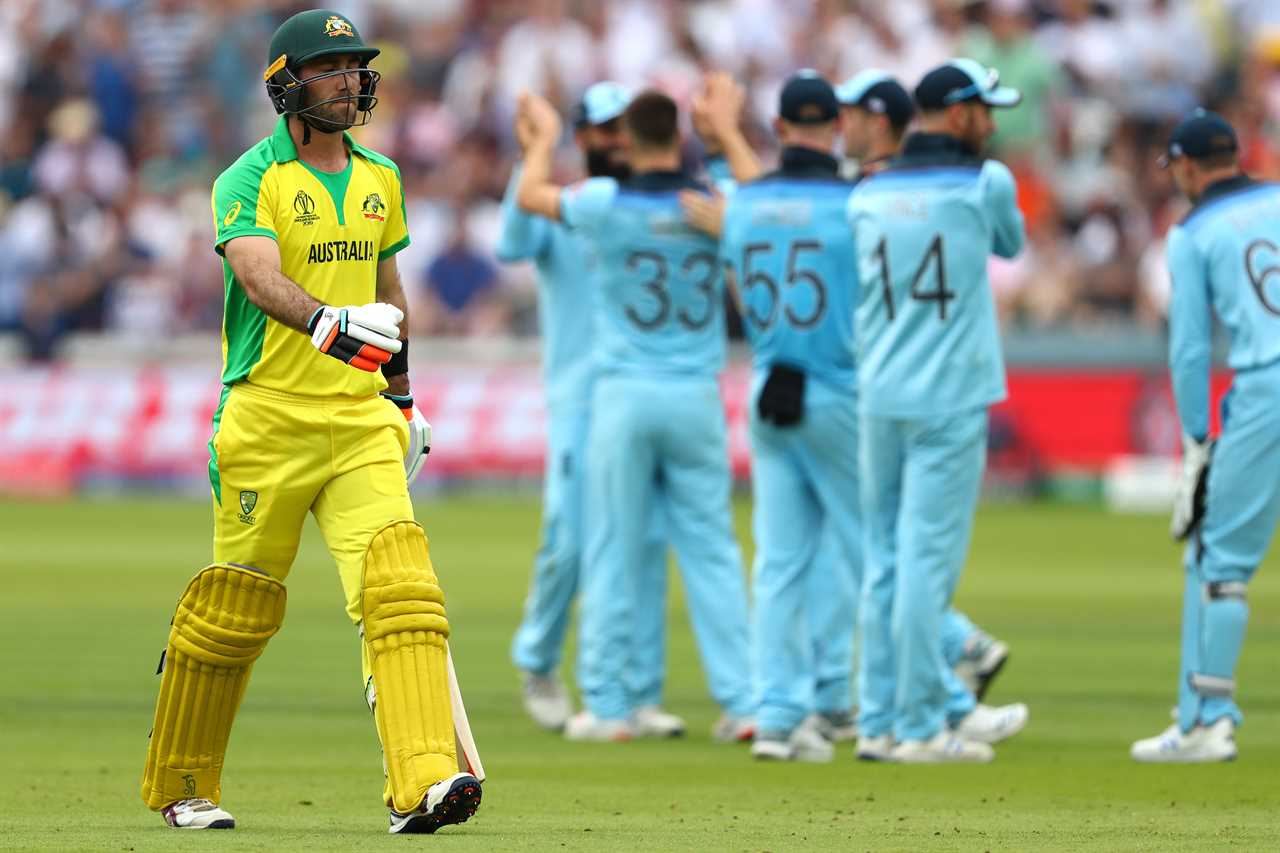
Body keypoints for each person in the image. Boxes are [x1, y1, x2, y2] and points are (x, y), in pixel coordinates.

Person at [138, 10, 479, 834]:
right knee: (233, 613)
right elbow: (258, 277)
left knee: (400, 588)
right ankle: (183, 781)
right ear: (287, 84)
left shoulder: (382, 176)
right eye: (330, 67)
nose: (351, 80)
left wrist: (401, 396)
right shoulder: (247, 178)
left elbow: (389, 293)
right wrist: (327, 322)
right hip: (267, 419)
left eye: (356, 66)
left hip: (360, 419)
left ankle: (424, 780)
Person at [515, 88, 755, 743]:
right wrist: (726, 133)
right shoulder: (710, 203)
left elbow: (533, 197)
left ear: (630, 142)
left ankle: (609, 705)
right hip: (697, 392)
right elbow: (764, 211)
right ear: (679, 138)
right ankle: (744, 701)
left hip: (622, 392)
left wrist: (538, 141)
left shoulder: (602, 203)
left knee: (613, 545)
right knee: (713, 549)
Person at [847, 59, 1030, 763]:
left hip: (880, 394)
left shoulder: (866, 193)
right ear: (957, 114)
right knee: (924, 563)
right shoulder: (985, 182)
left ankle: (876, 719)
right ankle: (921, 725)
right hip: (948, 397)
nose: (992, 122)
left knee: (884, 561)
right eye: (985, 110)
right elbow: (1010, 242)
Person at [496, 82, 683, 738]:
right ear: (581, 137)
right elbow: (511, 243)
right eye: (603, 130)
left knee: (645, 538)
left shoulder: (645, 203)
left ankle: (638, 690)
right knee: (569, 536)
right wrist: (534, 152)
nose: (615, 141)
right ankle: (539, 660)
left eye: (623, 129)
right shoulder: (565, 200)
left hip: (639, 386)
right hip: (580, 397)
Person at [710, 71, 862, 762]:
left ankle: (776, 712)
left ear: (779, 128)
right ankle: (876, 703)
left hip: (770, 382)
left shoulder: (746, 203)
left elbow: (741, 278)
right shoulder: (855, 204)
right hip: (838, 385)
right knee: (871, 551)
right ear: (837, 127)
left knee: (778, 560)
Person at [1131, 110, 1280, 763]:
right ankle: (1197, 709)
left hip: (1266, 389)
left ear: (1186, 166)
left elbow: (1190, 350)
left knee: (1219, 560)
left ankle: (1206, 719)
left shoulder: (1190, 233)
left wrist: (1197, 440)